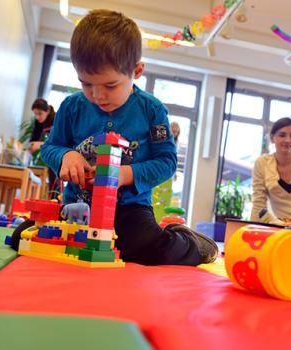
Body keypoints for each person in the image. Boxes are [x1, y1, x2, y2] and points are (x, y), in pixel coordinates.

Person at [24, 9, 216, 266]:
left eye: (110, 86)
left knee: (144, 248)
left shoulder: (151, 110)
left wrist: (125, 175)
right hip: (77, 209)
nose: (97, 95)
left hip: (130, 209)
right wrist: (66, 155)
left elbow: (167, 162)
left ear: (136, 71)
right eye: (86, 84)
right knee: (23, 237)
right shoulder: (71, 106)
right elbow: (50, 148)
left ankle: (189, 241)